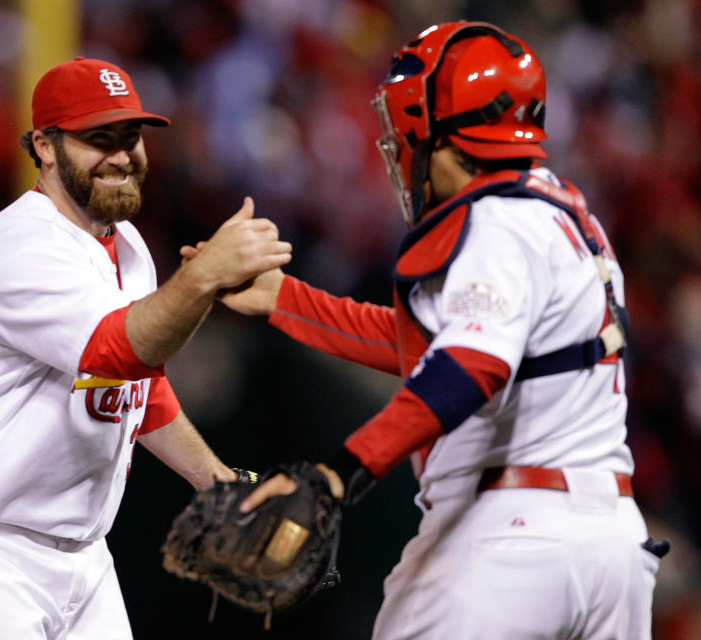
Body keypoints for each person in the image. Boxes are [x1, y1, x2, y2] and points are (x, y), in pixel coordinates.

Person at [202, 21, 666, 639]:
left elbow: (470, 366)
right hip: (612, 549)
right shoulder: (564, 211)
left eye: (404, 133)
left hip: (509, 541)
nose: (398, 150)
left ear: (437, 132)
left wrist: (341, 473)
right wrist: (288, 301)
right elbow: (435, 346)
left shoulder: (492, 222)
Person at [0, 57, 290, 639]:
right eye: (97, 139)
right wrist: (202, 281)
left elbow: (137, 385)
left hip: (83, 556)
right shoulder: (19, 245)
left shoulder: (126, 245)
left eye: (130, 136)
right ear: (45, 147)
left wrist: (215, 479)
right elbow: (113, 354)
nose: (122, 155)